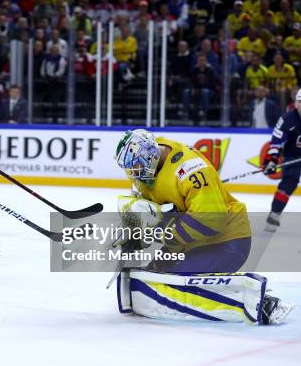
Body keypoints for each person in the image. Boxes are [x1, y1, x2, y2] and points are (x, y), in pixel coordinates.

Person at [114, 129, 293, 324]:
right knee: (152, 280)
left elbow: (211, 221)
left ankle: (258, 303)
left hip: (227, 242)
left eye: (137, 166)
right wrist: (135, 235)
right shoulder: (145, 163)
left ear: (150, 154)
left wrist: (159, 233)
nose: (133, 174)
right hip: (188, 243)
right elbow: (146, 208)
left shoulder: (191, 169)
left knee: (176, 287)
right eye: (130, 169)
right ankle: (224, 289)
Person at [262, 88, 301, 232]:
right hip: (293, 157)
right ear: (296, 103)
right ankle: (274, 214)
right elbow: (276, 141)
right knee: (288, 183)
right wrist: (272, 160)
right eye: (300, 102)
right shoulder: (286, 119)